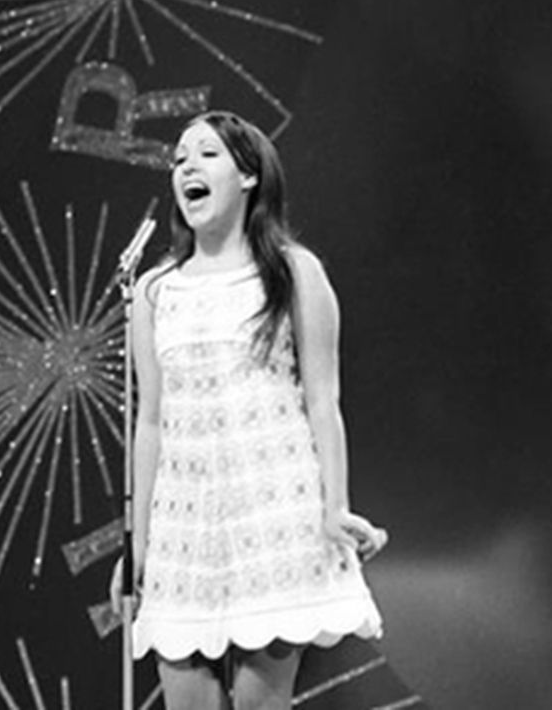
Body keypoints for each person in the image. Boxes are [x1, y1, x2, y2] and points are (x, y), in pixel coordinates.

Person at [111, 110, 389, 710]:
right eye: (180, 157)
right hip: (186, 527)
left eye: (206, 153)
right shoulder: (156, 293)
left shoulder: (292, 272)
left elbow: (323, 401)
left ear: (248, 176)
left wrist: (334, 505)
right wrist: (139, 547)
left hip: (273, 513)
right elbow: (152, 420)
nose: (187, 165)